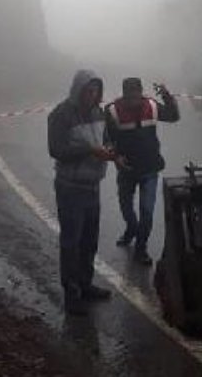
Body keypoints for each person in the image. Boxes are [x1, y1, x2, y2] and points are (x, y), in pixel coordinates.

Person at [48, 70, 116, 315]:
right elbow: (56, 150)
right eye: (88, 90)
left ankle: (86, 284)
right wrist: (90, 151)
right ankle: (71, 291)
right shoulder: (61, 115)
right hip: (70, 187)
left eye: (96, 90)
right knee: (71, 241)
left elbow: (106, 139)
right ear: (78, 89)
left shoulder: (99, 113)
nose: (92, 94)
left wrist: (111, 152)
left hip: (92, 186)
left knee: (89, 240)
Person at [105, 78, 179, 265]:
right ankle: (131, 228)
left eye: (135, 95)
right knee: (126, 207)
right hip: (126, 169)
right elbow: (107, 140)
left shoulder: (152, 106)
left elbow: (173, 116)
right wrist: (116, 157)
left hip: (150, 168)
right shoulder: (113, 110)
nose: (132, 100)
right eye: (128, 95)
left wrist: (167, 96)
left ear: (141, 92)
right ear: (123, 94)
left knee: (147, 211)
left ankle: (141, 248)